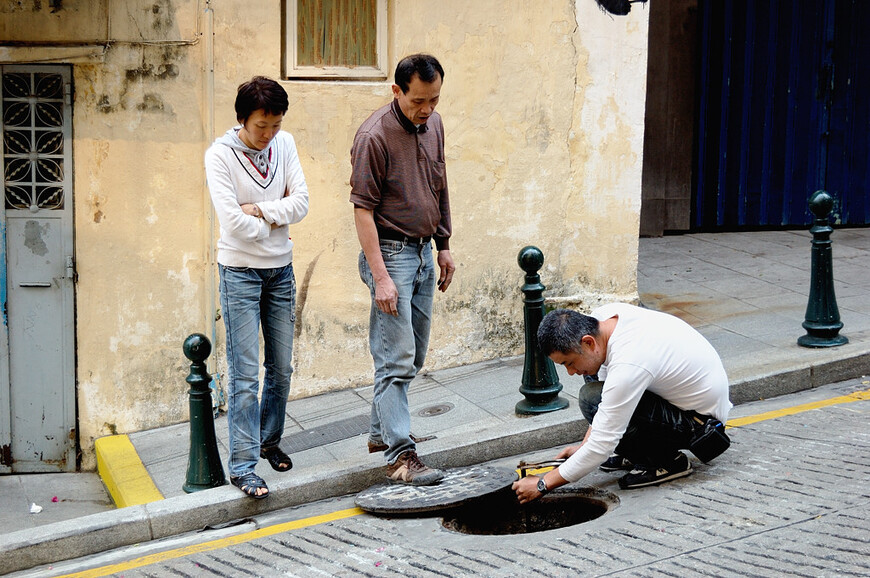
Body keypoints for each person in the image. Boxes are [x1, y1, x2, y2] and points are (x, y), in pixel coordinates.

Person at [350, 54, 455, 485]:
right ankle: (400, 455)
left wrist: (444, 246)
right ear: (396, 91)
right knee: (396, 359)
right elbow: (362, 210)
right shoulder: (373, 137)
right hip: (391, 254)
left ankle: (380, 433)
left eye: (434, 99)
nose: (427, 109)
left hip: (424, 253)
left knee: (413, 355)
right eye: (418, 101)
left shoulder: (436, 125)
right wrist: (380, 276)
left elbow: (440, 184)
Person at [205, 76, 309, 498]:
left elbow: (301, 203)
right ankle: (243, 466)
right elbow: (232, 223)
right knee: (246, 375)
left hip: (280, 270)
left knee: (280, 368)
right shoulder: (219, 156)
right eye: (260, 126)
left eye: (275, 125)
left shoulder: (285, 145)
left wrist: (260, 210)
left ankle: (269, 440)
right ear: (241, 120)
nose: (268, 135)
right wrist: (273, 218)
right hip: (239, 274)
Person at [513, 304, 731, 503]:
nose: (569, 372)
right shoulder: (604, 320)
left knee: (592, 396)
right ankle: (637, 449)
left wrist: (543, 484)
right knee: (593, 375)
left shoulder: (629, 360)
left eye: (569, 363)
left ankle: (666, 461)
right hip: (678, 406)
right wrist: (583, 448)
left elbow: (602, 443)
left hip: (701, 427)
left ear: (588, 342)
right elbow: (607, 406)